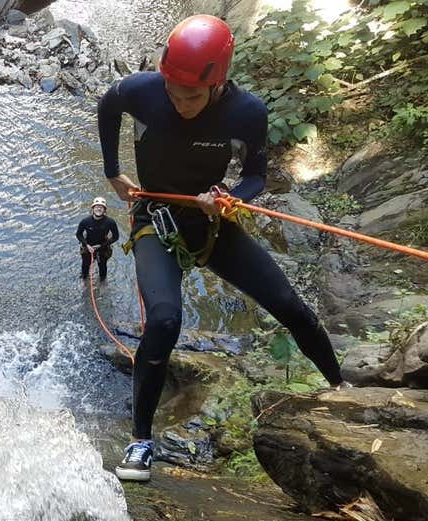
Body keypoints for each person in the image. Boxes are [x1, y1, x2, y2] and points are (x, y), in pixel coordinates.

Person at [97, 14, 350, 482]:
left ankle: (343, 389)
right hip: (157, 218)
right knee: (166, 319)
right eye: (173, 91)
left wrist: (231, 198)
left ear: (219, 82)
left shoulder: (246, 113)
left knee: (288, 304)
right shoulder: (140, 91)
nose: (180, 102)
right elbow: (106, 106)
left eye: (191, 95)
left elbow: (256, 176)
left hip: (214, 222)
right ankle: (140, 442)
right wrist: (113, 171)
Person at [76, 196, 120, 281]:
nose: (99, 209)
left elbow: (116, 237)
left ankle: (102, 282)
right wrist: (87, 245)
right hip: (88, 246)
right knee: (85, 265)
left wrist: (101, 246)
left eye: (101, 207)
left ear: (104, 210)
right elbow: (78, 235)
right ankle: (84, 280)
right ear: (93, 208)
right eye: (96, 207)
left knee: (102, 265)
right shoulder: (85, 221)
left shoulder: (110, 222)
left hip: (103, 247)